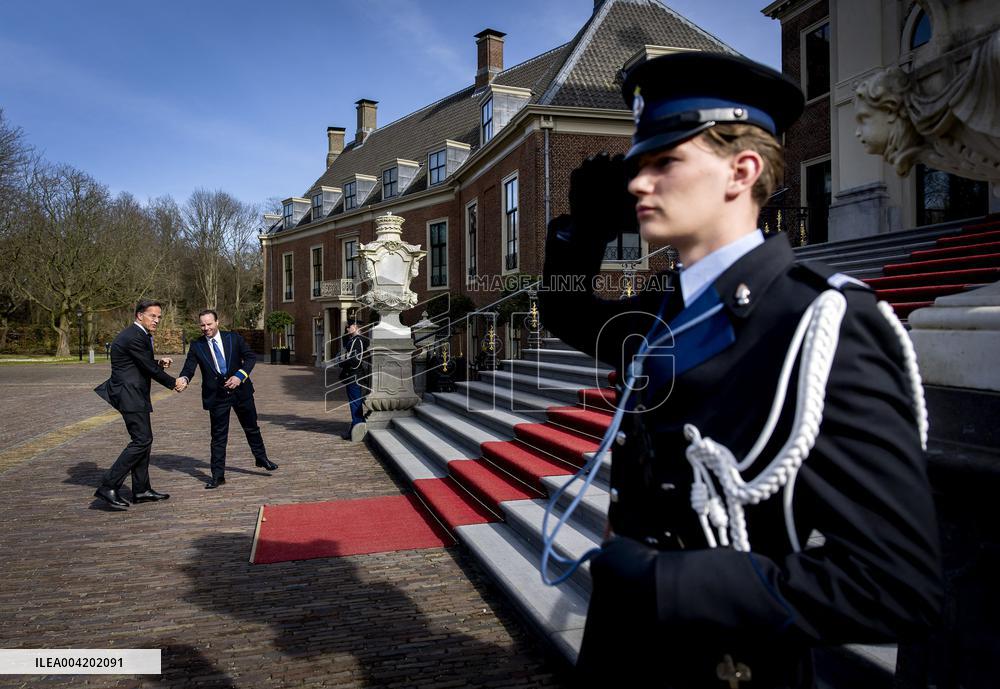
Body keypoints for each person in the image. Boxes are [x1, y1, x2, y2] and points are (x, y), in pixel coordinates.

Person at [539, 52, 942, 687]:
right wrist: (581, 234)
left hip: (732, 667)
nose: (639, 184)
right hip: (621, 652)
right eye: (638, 166)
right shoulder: (664, 312)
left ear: (742, 170)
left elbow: (896, 583)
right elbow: (566, 312)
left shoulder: (821, 323)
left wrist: (666, 581)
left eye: (665, 162)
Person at [175, 309, 277, 489]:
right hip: (217, 396)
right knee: (218, 437)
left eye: (209, 324)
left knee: (251, 427)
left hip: (241, 391)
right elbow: (188, 368)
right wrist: (184, 379)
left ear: (217, 322)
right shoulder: (197, 345)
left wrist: (240, 375)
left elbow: (250, 357)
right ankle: (218, 476)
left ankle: (261, 458)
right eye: (202, 325)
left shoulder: (233, 338)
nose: (206, 328)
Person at [93, 299, 177, 509]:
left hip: (134, 394)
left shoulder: (139, 335)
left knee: (144, 440)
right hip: (129, 395)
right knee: (141, 440)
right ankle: (108, 485)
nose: (156, 320)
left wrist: (157, 363)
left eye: (159, 317)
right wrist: (173, 383)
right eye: (152, 316)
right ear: (140, 315)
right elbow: (147, 368)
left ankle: (141, 490)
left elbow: (139, 363)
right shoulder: (134, 336)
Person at [339, 320, 368, 441]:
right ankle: (355, 428)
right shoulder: (353, 339)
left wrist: (342, 362)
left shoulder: (358, 340)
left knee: (355, 403)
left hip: (354, 375)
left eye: (349, 326)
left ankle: (357, 430)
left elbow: (356, 361)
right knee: (354, 402)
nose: (347, 329)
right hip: (352, 375)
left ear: (356, 327)